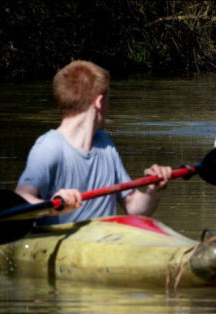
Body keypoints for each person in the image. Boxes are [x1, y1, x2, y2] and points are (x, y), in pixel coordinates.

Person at [15, 60, 172, 224]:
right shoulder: (49, 147)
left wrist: (154, 190)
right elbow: (21, 197)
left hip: (105, 243)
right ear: (99, 102)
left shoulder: (105, 144)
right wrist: (52, 206)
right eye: (109, 100)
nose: (109, 107)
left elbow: (134, 207)